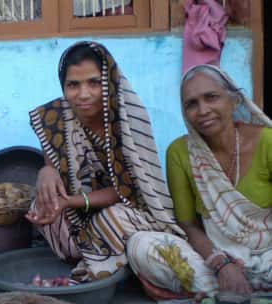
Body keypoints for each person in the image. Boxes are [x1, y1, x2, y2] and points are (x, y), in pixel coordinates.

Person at [26, 41, 182, 281]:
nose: (83, 94)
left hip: (130, 210)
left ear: (108, 82)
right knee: (41, 204)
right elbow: (52, 162)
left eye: (94, 83)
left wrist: (71, 202)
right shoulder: (55, 116)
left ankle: (101, 262)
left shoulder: (126, 118)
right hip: (83, 218)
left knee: (112, 220)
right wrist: (45, 172)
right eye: (73, 85)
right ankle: (98, 256)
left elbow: (129, 191)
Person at [127, 64, 272, 298]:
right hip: (216, 258)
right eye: (191, 104)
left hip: (267, 254)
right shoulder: (180, 152)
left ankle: (220, 293)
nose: (203, 110)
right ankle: (240, 289)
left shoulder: (267, 141)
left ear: (233, 100)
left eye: (211, 97)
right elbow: (188, 225)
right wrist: (221, 263)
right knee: (141, 245)